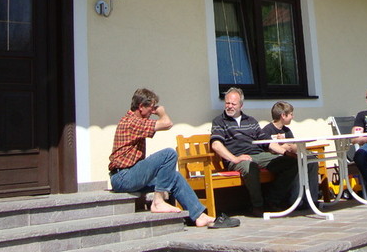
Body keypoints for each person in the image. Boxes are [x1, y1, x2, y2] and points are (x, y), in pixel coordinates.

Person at [109, 88, 239, 228]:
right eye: (151, 108)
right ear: (141, 106)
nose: (152, 112)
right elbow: (167, 123)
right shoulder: (132, 122)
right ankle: (158, 202)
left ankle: (200, 216)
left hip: (131, 175)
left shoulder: (136, 121)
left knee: (174, 176)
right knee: (169, 154)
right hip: (123, 177)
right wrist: (161, 112)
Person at [210, 88, 299, 217]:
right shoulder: (219, 121)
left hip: (258, 155)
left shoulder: (251, 121)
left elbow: (266, 141)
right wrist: (234, 159)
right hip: (237, 158)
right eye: (227, 103)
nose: (229, 106)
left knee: (291, 162)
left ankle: (272, 200)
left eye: (233, 104)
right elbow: (216, 144)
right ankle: (258, 206)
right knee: (250, 166)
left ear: (241, 105)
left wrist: (285, 153)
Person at [260, 101, 320, 207]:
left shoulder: (286, 130)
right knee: (296, 163)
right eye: (291, 114)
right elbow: (268, 149)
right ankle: (295, 200)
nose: (293, 117)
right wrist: (284, 146)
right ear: (283, 115)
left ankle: (311, 199)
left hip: (290, 156)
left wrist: (286, 144)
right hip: (276, 160)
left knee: (312, 160)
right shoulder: (267, 130)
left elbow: (295, 146)